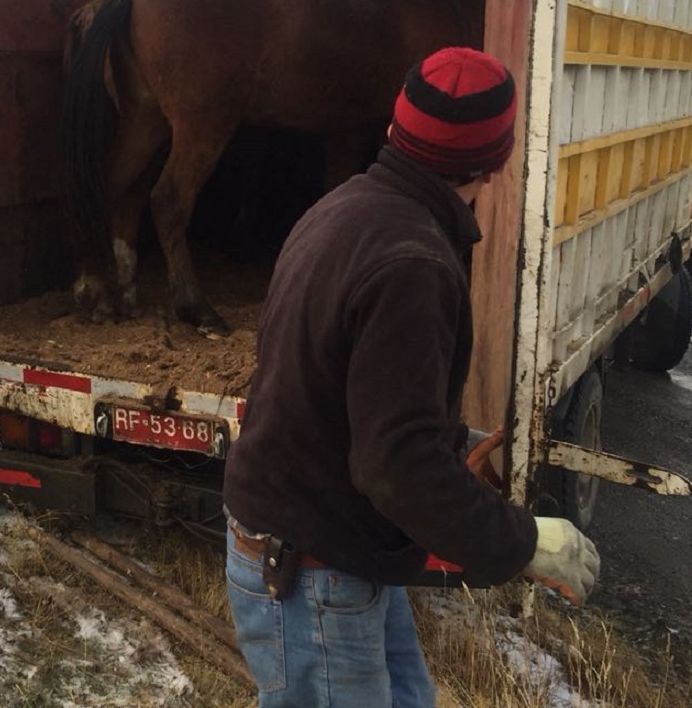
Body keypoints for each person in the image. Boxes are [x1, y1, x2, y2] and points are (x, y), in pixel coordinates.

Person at [222, 46, 599, 708]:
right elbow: (394, 465)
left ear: (397, 128)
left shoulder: (345, 207)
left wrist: (444, 444)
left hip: (329, 546)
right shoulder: (412, 262)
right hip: (314, 568)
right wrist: (525, 541)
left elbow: (351, 394)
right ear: (496, 159)